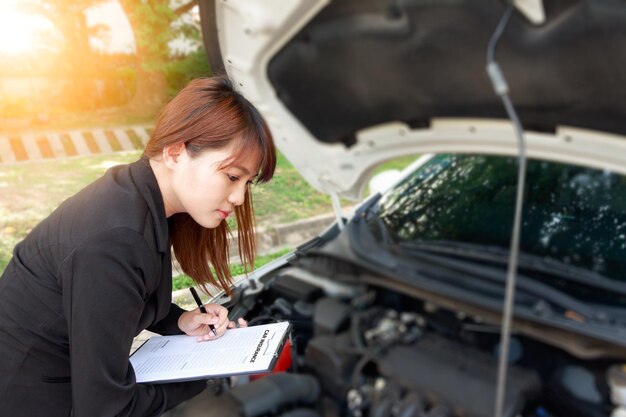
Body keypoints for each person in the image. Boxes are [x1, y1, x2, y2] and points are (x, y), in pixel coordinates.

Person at [0, 75, 276, 417]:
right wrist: (206, 372)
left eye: (248, 183)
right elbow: (105, 408)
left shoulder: (135, 195)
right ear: (175, 151)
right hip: (31, 397)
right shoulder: (115, 238)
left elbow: (121, 301)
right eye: (233, 176)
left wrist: (180, 321)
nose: (238, 197)